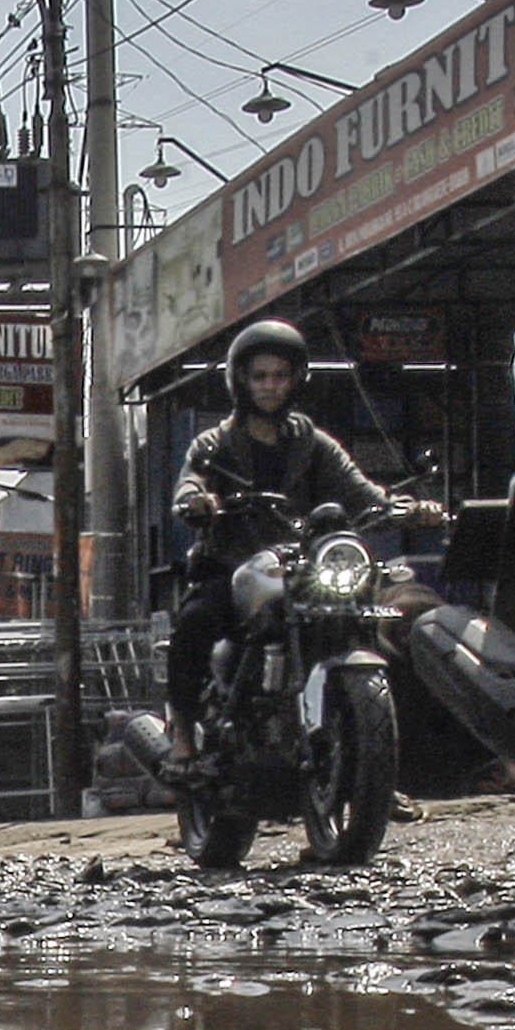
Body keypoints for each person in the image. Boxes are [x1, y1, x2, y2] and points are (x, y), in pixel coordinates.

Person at [163, 319, 400, 759]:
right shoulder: (214, 444)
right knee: (193, 623)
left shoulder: (313, 443)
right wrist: (195, 500)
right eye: (260, 377)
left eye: (279, 376)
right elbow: (191, 481)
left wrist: (407, 507)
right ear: (241, 381)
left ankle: (375, 762)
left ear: (296, 380)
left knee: (373, 633)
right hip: (233, 570)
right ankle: (182, 734)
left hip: (301, 570)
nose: (270, 386)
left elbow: (360, 492)